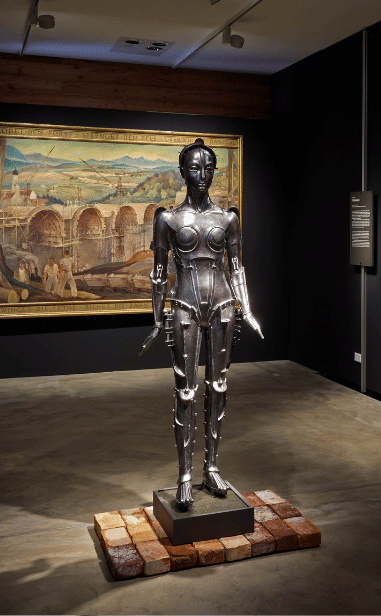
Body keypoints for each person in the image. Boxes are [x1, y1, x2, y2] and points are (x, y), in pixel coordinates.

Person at [140, 138, 263, 510]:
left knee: (219, 386)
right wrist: (156, 320)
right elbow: (158, 274)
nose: (202, 174)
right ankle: (184, 476)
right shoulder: (168, 219)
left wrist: (248, 309)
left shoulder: (228, 218)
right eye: (195, 168)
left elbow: (237, 268)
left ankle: (211, 467)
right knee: (186, 391)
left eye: (208, 168)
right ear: (183, 171)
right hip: (184, 306)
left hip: (224, 304)